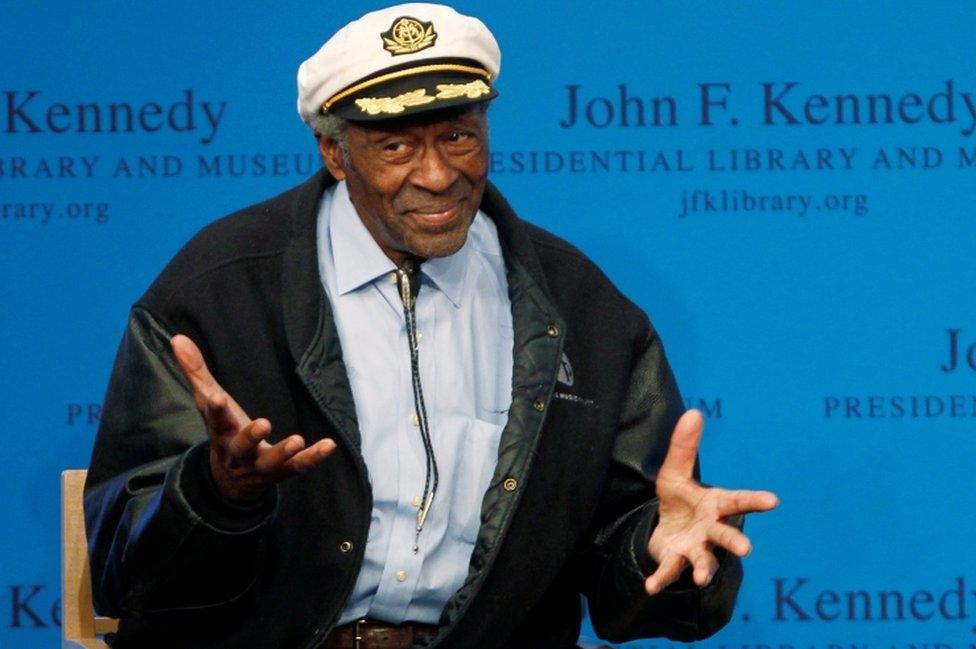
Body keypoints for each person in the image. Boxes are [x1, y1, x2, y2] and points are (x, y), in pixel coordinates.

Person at [84, 4, 778, 648]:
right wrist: (215, 491)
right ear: (335, 152)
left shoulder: (583, 308)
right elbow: (120, 563)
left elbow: (626, 572)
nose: (440, 174)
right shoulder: (218, 289)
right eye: (396, 147)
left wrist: (660, 545)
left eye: (457, 136)